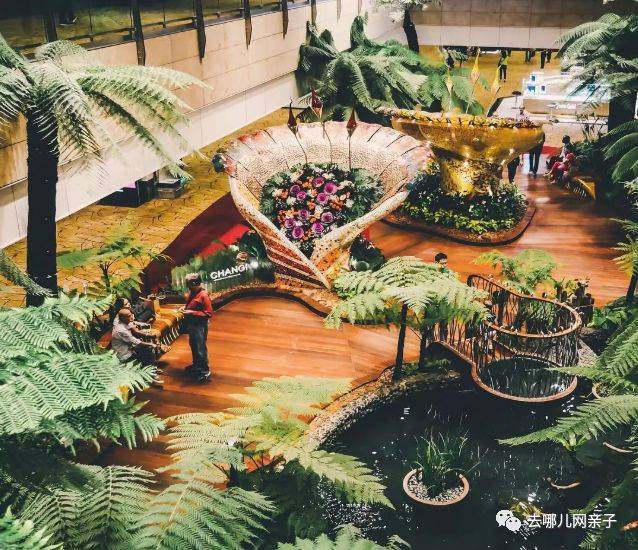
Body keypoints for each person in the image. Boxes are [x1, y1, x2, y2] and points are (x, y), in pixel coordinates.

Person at [112, 309, 163, 386]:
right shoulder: (121, 330)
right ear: (122, 318)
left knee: (147, 350)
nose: (132, 316)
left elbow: (135, 332)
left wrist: (149, 335)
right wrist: (152, 344)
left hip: (129, 348)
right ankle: (151, 373)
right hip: (124, 354)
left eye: (131, 314)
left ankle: (152, 368)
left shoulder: (125, 321)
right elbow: (136, 341)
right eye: (129, 316)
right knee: (148, 351)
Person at [182, 273, 213, 383]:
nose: (187, 286)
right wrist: (185, 308)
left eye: (188, 283)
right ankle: (196, 365)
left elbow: (208, 313)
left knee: (200, 348)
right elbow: (192, 305)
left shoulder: (204, 295)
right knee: (193, 345)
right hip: (192, 325)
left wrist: (191, 312)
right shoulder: (193, 292)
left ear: (195, 283)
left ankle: (205, 370)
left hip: (200, 326)